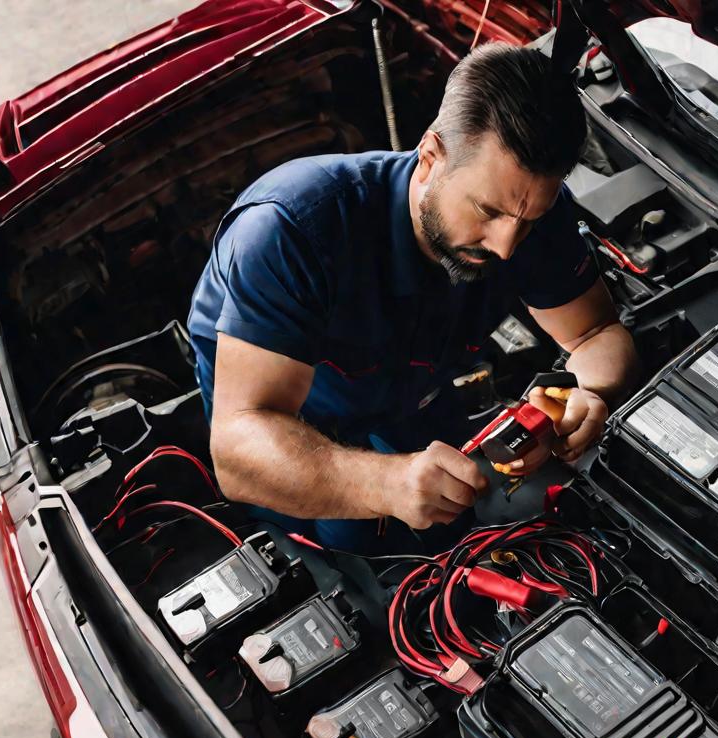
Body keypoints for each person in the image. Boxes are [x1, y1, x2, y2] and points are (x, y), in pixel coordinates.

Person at [187, 42, 638, 554]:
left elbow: (596, 333)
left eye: (527, 222)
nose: (506, 244)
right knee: (343, 545)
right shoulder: (293, 231)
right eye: (487, 212)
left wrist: (589, 392)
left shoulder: (528, 209)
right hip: (291, 414)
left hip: (415, 389)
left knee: (458, 513)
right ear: (430, 158)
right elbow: (239, 451)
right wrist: (385, 483)